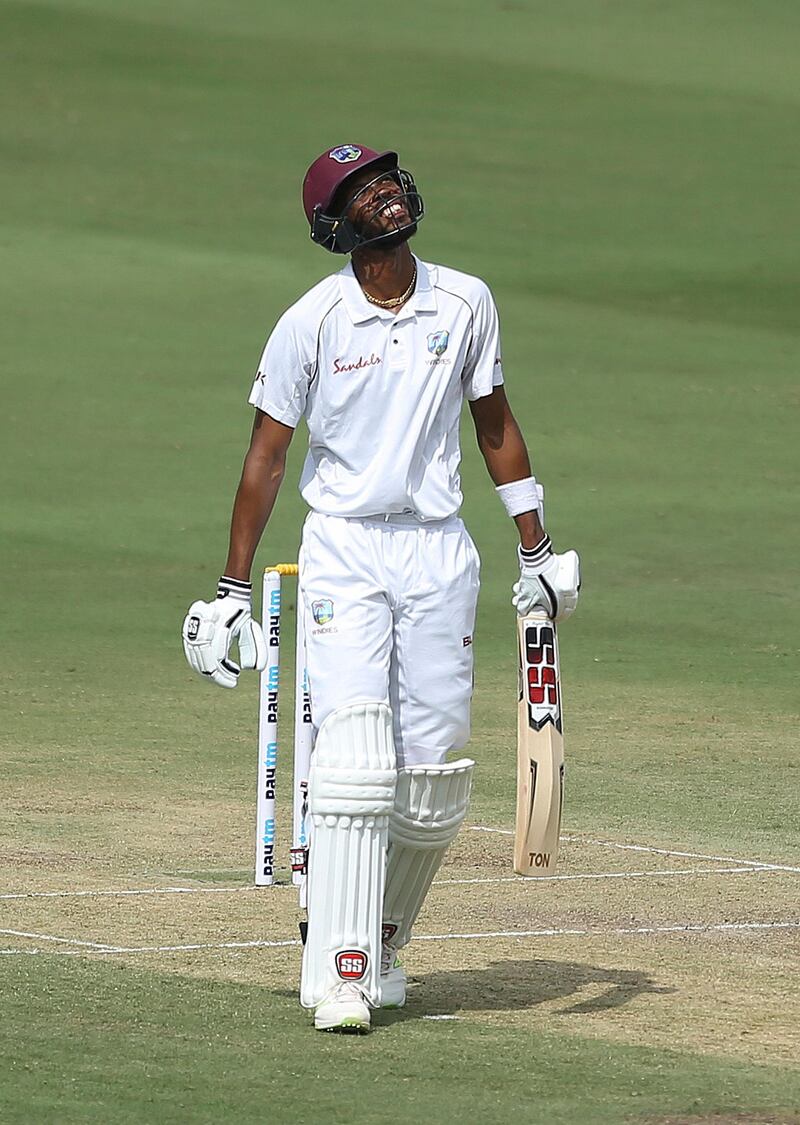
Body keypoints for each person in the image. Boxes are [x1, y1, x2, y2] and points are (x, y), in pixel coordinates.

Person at [182, 144, 580, 1034]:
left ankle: (386, 937)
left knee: (434, 782)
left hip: (440, 550)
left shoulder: (465, 300)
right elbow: (266, 457)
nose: (387, 194)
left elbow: (496, 425)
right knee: (357, 764)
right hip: (347, 550)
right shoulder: (311, 322)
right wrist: (230, 589)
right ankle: (341, 965)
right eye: (365, 191)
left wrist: (538, 552)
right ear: (337, 225)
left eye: (390, 181)